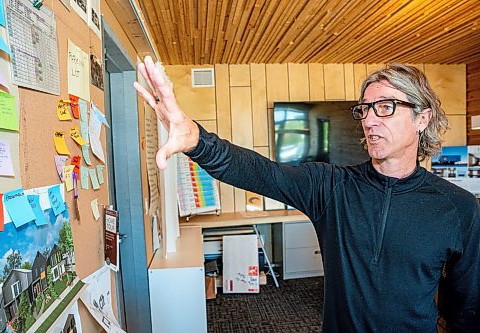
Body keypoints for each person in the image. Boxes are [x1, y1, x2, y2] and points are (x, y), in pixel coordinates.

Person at [134, 57, 479, 332]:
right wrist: (196, 139)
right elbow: (257, 171)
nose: (370, 120)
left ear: (423, 118)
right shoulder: (330, 187)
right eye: (365, 109)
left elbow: (466, 307)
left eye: (385, 107)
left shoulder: (460, 208)